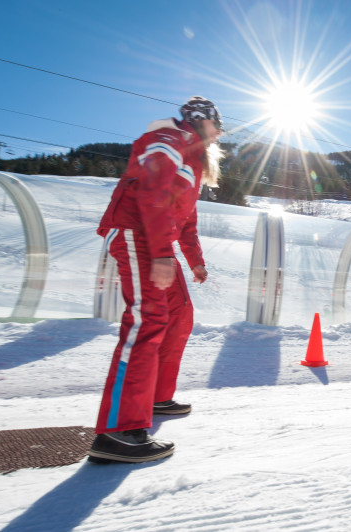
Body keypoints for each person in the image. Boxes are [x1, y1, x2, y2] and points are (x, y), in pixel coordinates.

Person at [87, 96, 224, 464]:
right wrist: (164, 252)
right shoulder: (169, 138)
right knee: (146, 320)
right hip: (136, 230)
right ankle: (117, 430)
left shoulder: (193, 160)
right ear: (201, 121)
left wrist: (194, 262)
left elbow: (187, 219)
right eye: (217, 125)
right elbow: (152, 190)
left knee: (179, 314)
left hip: (153, 237)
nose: (219, 134)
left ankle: (156, 397)